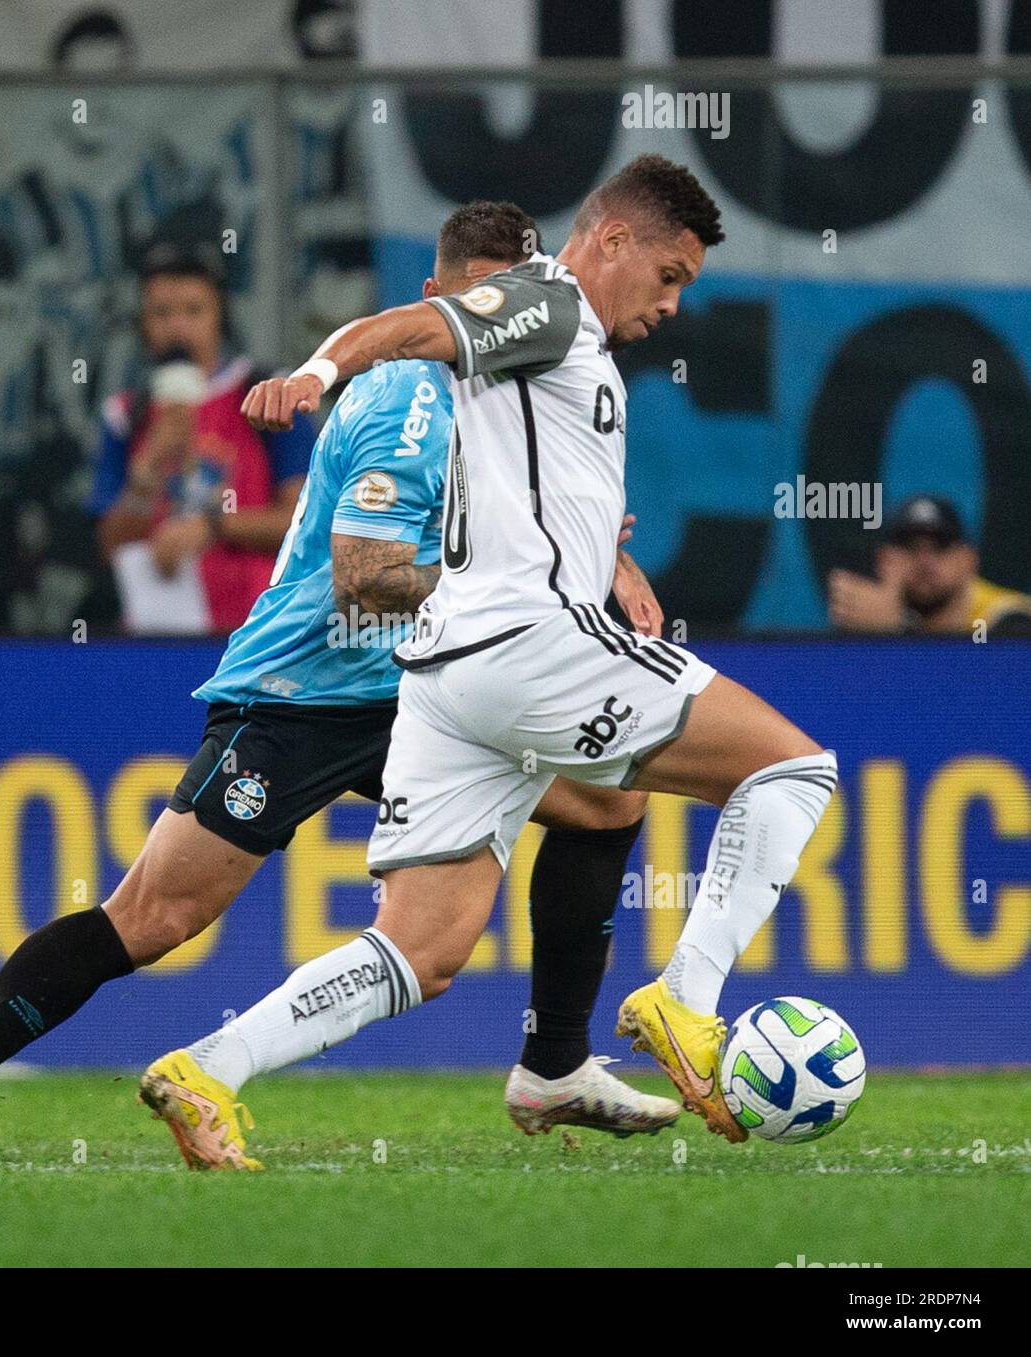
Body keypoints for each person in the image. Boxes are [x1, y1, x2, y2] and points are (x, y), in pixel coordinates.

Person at [0, 200, 678, 1166]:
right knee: (153, 919)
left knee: (608, 801)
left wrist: (592, 554)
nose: (500, 321)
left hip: (424, 693)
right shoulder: (413, 397)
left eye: (516, 301)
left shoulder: (520, 401)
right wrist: (527, 582)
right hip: (306, 692)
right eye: (480, 300)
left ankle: (557, 1061)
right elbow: (366, 579)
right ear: (434, 298)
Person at [147, 154, 839, 1167]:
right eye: (669, 275)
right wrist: (316, 374)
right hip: (531, 644)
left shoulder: (559, 344)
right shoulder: (549, 306)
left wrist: (604, 544)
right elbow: (413, 327)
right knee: (792, 768)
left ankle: (210, 1065)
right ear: (610, 241)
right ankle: (685, 1004)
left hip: (444, 678)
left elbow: (504, 452)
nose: (674, 305)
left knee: (419, 952)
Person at [90, 247, 314, 633]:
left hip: (254, 635)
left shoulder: (267, 396)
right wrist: (147, 471)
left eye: (193, 311)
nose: (177, 326)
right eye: (161, 313)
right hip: (155, 636)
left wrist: (213, 527)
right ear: (143, 323)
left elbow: (304, 524)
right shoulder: (125, 413)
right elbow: (110, 545)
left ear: (219, 317)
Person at [828, 494, 1031, 637]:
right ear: (884, 560)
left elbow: (972, 688)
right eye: (911, 548)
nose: (925, 561)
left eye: (940, 547)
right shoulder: (878, 616)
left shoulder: (1009, 620)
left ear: (969, 560)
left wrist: (893, 633)